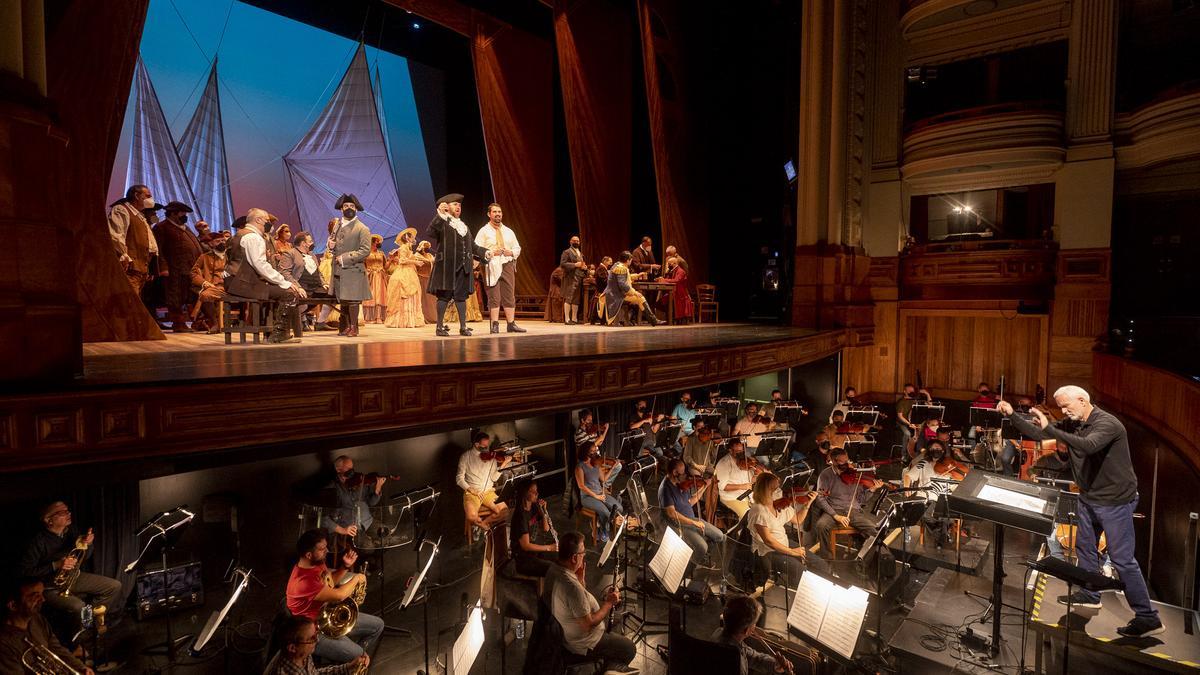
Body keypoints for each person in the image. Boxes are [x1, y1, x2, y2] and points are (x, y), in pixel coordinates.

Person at [999, 385, 1163, 638]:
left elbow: (1087, 446)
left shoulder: (1108, 424)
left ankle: (1147, 617)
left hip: (1115, 501)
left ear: (1083, 400)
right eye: (1061, 407)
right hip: (1089, 497)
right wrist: (1012, 415)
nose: (1064, 411)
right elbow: (1038, 433)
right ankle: (1090, 594)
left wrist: (1051, 428)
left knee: (1122, 560)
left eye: (1067, 406)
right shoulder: (1073, 422)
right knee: (1084, 547)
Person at [285, 530, 382, 664]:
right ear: (308, 554)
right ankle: (352, 659)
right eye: (322, 549)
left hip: (327, 617)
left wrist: (345, 566)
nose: (326, 551)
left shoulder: (317, 562)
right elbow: (339, 595)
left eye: (326, 547)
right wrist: (357, 578)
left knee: (378, 625)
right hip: (314, 633)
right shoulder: (303, 581)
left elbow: (330, 583)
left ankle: (350, 658)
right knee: (361, 658)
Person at [18, 501, 122, 625]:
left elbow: (84, 557)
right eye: (63, 512)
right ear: (48, 520)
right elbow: (24, 571)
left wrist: (87, 545)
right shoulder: (37, 541)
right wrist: (55, 565)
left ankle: (89, 622)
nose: (69, 514)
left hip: (73, 577)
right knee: (80, 607)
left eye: (68, 510)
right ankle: (85, 626)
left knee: (114, 586)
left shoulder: (71, 530)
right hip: (49, 586)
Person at [543, 531, 635, 670]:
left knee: (617, 618)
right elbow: (588, 624)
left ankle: (610, 662)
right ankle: (608, 670)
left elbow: (574, 602)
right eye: (582, 552)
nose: (584, 555)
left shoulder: (553, 569)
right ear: (574, 558)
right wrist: (609, 603)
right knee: (629, 648)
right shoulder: (572, 588)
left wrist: (580, 580)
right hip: (584, 643)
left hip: (571, 628)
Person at [223, 208, 305, 344]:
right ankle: (277, 334)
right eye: (267, 220)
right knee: (289, 293)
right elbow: (260, 265)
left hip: (235, 281)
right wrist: (284, 282)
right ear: (258, 220)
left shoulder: (240, 234)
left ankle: (272, 333)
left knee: (278, 290)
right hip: (241, 283)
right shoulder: (253, 237)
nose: (269, 224)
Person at [747, 472, 830, 587]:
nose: (779, 491)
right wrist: (792, 552)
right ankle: (804, 593)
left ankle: (823, 590)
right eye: (775, 489)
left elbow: (797, 520)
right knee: (801, 571)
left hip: (784, 543)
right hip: (768, 551)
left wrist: (807, 504)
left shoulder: (779, 504)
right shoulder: (758, 511)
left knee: (821, 564)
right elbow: (768, 541)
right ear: (767, 491)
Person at [427, 194, 492, 336]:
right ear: (446, 207)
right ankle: (439, 327)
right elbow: (430, 232)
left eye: (459, 205)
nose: (458, 207)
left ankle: (463, 327)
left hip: (463, 267)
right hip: (447, 267)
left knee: (461, 297)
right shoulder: (443, 222)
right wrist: (440, 215)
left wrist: (485, 252)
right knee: (444, 296)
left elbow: (472, 246)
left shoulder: (463, 226)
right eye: (455, 204)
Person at [0, 577, 92, 675]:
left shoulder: (37, 619)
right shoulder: (4, 644)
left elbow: (56, 648)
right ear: (13, 605)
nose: (43, 600)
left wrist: (80, 667)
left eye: (41, 594)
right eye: (35, 596)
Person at [812, 448, 881, 559]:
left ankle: (866, 559)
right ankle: (827, 559)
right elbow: (820, 499)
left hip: (853, 510)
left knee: (874, 531)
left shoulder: (854, 474)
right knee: (821, 525)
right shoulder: (825, 475)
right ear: (833, 461)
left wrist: (872, 490)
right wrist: (835, 515)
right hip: (834, 510)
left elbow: (861, 499)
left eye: (847, 460)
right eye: (842, 462)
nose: (847, 464)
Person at [658, 459, 725, 564]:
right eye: (683, 472)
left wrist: (705, 486)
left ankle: (702, 557)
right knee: (702, 547)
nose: (685, 475)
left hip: (691, 520)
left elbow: (690, 501)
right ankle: (690, 564)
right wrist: (694, 523)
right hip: (678, 524)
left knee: (719, 536)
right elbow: (671, 513)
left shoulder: (680, 483)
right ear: (675, 472)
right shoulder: (665, 489)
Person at [151, 200, 203, 332]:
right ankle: (178, 323)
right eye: (182, 213)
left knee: (189, 296)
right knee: (175, 297)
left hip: (189, 268)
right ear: (173, 214)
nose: (185, 216)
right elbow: (159, 249)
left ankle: (197, 322)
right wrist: (163, 267)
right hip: (174, 269)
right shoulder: (162, 227)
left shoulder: (185, 228)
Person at [474, 203, 524, 334]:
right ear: (489, 214)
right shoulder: (483, 231)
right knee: (494, 295)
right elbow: (476, 249)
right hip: (491, 265)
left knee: (509, 294)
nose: (498, 214)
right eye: (495, 212)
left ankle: (511, 324)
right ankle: (495, 324)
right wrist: (490, 252)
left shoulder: (508, 231)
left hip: (507, 264)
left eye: (499, 212)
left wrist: (510, 252)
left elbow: (517, 248)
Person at [711, 594, 792, 675]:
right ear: (746, 630)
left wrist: (775, 665)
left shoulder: (720, 632)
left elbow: (755, 658)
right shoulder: (737, 663)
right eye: (754, 624)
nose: (755, 627)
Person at [901, 440, 961, 548]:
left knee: (946, 516)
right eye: (934, 448)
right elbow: (908, 476)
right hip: (927, 496)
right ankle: (942, 536)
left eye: (939, 449)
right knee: (926, 515)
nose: (936, 451)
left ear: (943, 451)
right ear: (929, 450)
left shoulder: (949, 465)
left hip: (944, 497)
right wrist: (906, 488)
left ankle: (940, 536)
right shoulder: (923, 464)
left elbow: (955, 484)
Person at [328, 195, 372, 337]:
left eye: (352, 207)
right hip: (339, 269)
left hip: (353, 269)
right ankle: (347, 326)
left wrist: (345, 258)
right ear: (341, 209)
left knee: (353, 299)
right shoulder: (338, 225)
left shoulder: (362, 228)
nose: (349, 209)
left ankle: (354, 327)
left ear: (356, 209)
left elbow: (365, 250)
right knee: (344, 299)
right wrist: (330, 245)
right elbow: (335, 244)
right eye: (346, 206)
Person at [263, 614, 367, 675]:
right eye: (312, 638)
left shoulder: (302, 653)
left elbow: (315, 673)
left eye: (316, 634)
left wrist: (348, 667)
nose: (317, 640)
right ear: (292, 648)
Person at [108, 184, 161, 296]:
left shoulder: (140, 217)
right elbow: (116, 235)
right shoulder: (122, 209)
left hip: (141, 271)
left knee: (133, 303)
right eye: (148, 196)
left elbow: (151, 245)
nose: (151, 199)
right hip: (130, 269)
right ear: (137, 195)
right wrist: (123, 255)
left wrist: (151, 267)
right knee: (128, 303)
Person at [456, 432, 511, 532]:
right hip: (472, 493)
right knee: (471, 516)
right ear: (476, 445)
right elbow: (459, 479)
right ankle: (479, 525)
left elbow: (494, 478)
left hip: (488, 492)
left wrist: (503, 465)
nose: (487, 448)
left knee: (505, 511)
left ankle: (482, 525)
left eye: (488, 445)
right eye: (484, 446)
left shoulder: (491, 457)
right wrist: (472, 490)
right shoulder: (465, 457)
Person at [575, 441, 623, 543]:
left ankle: (599, 525)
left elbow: (604, 479)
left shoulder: (596, 464)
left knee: (619, 508)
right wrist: (596, 497)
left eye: (595, 450)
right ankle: (603, 531)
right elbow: (581, 486)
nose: (594, 453)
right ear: (585, 452)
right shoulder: (580, 467)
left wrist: (613, 467)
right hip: (587, 497)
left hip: (600, 494)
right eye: (591, 451)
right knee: (605, 513)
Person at [327, 456, 385, 538]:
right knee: (368, 548)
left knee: (386, 535)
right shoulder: (332, 487)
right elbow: (324, 519)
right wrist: (342, 530)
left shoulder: (359, 480)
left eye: (352, 468)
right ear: (338, 469)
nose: (352, 471)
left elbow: (371, 503)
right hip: (349, 527)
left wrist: (377, 488)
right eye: (348, 468)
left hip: (367, 522)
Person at [383, 228, 430, 328]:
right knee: (406, 293)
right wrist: (415, 262)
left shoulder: (407, 248)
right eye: (412, 237)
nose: (414, 238)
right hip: (404, 272)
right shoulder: (404, 247)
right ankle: (402, 320)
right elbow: (402, 261)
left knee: (412, 292)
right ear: (408, 238)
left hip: (410, 271)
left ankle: (409, 319)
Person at [597, 251, 660, 327]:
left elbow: (624, 277)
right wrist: (634, 292)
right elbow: (622, 284)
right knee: (640, 298)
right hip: (615, 296)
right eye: (630, 260)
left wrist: (637, 275)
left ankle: (653, 320)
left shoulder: (617, 265)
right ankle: (653, 320)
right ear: (627, 260)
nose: (631, 262)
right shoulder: (621, 268)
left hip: (614, 293)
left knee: (640, 298)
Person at [509, 480, 556, 576]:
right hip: (523, 558)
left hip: (534, 551)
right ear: (525, 493)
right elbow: (525, 546)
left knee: (562, 558)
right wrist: (549, 548)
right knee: (554, 569)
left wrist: (543, 512)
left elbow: (546, 529)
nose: (537, 494)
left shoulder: (534, 506)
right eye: (533, 491)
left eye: (537, 491)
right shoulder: (520, 516)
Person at [190, 231, 230, 333]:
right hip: (212, 286)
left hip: (228, 286)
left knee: (205, 294)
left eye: (222, 240)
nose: (221, 243)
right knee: (205, 294)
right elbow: (193, 273)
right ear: (210, 244)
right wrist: (204, 283)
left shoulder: (231, 256)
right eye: (217, 241)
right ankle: (215, 323)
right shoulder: (204, 257)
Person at [714, 439, 759, 519]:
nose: (741, 453)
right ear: (730, 450)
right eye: (737, 451)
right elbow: (722, 487)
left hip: (748, 495)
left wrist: (755, 475)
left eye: (742, 450)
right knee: (748, 517)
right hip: (732, 498)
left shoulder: (745, 460)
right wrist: (742, 486)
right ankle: (742, 531)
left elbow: (751, 481)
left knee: (762, 511)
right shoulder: (724, 463)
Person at [894, 383, 931, 459]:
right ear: (905, 391)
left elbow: (930, 405)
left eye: (912, 390)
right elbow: (900, 416)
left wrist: (927, 394)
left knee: (926, 432)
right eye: (909, 390)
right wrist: (909, 423)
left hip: (914, 422)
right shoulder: (901, 402)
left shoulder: (915, 400)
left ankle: (924, 453)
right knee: (907, 433)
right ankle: (903, 455)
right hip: (902, 423)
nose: (911, 392)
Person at [655, 256, 694, 322]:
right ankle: (670, 317)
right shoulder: (672, 270)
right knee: (658, 303)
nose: (668, 265)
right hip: (672, 292)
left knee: (662, 302)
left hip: (679, 294)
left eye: (669, 264)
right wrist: (662, 278)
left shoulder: (680, 271)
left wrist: (664, 280)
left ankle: (671, 318)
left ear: (674, 263)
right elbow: (668, 279)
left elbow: (676, 280)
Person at [559, 235, 587, 325]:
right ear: (570, 242)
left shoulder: (580, 253)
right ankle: (567, 319)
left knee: (576, 299)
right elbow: (563, 264)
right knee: (569, 298)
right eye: (574, 241)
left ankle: (574, 318)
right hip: (570, 278)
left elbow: (581, 264)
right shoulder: (566, 252)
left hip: (579, 277)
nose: (576, 242)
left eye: (578, 241)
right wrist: (575, 265)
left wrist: (584, 267)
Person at [362, 234, 389, 324]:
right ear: (372, 242)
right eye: (377, 241)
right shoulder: (366, 253)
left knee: (381, 296)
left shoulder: (381, 254)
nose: (379, 243)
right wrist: (367, 272)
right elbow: (363, 265)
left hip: (380, 276)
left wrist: (391, 260)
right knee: (372, 295)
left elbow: (386, 266)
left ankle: (379, 316)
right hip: (370, 276)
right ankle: (370, 317)